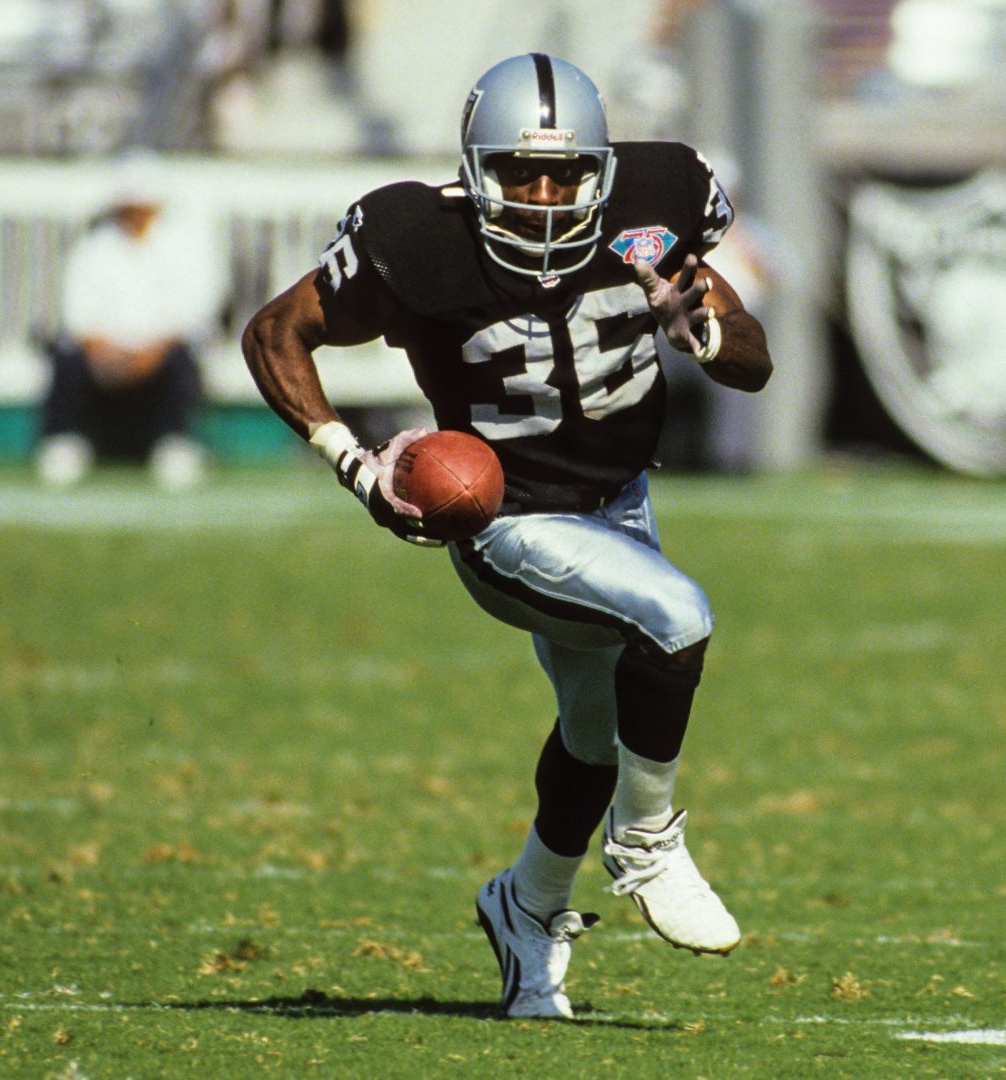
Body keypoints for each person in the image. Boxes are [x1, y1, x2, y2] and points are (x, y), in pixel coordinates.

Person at [242, 53, 771, 1019]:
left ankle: (527, 905)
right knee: (677, 616)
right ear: (474, 170)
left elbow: (752, 358)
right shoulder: (419, 242)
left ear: (602, 172)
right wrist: (352, 463)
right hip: (506, 519)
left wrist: (698, 328)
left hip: (621, 504)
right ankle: (646, 844)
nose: (544, 198)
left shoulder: (655, 207)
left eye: (566, 176)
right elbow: (276, 333)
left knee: (594, 733)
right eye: (521, 175)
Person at [36, 161, 224, 490]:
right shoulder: (95, 248)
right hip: (105, 353)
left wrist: (151, 352)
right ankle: (65, 440)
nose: (135, 215)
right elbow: (78, 314)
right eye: (128, 207)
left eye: (141, 206)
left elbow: (196, 311)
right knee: (66, 357)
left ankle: (174, 442)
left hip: (162, 350)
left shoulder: (185, 247)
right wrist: (101, 348)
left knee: (183, 358)